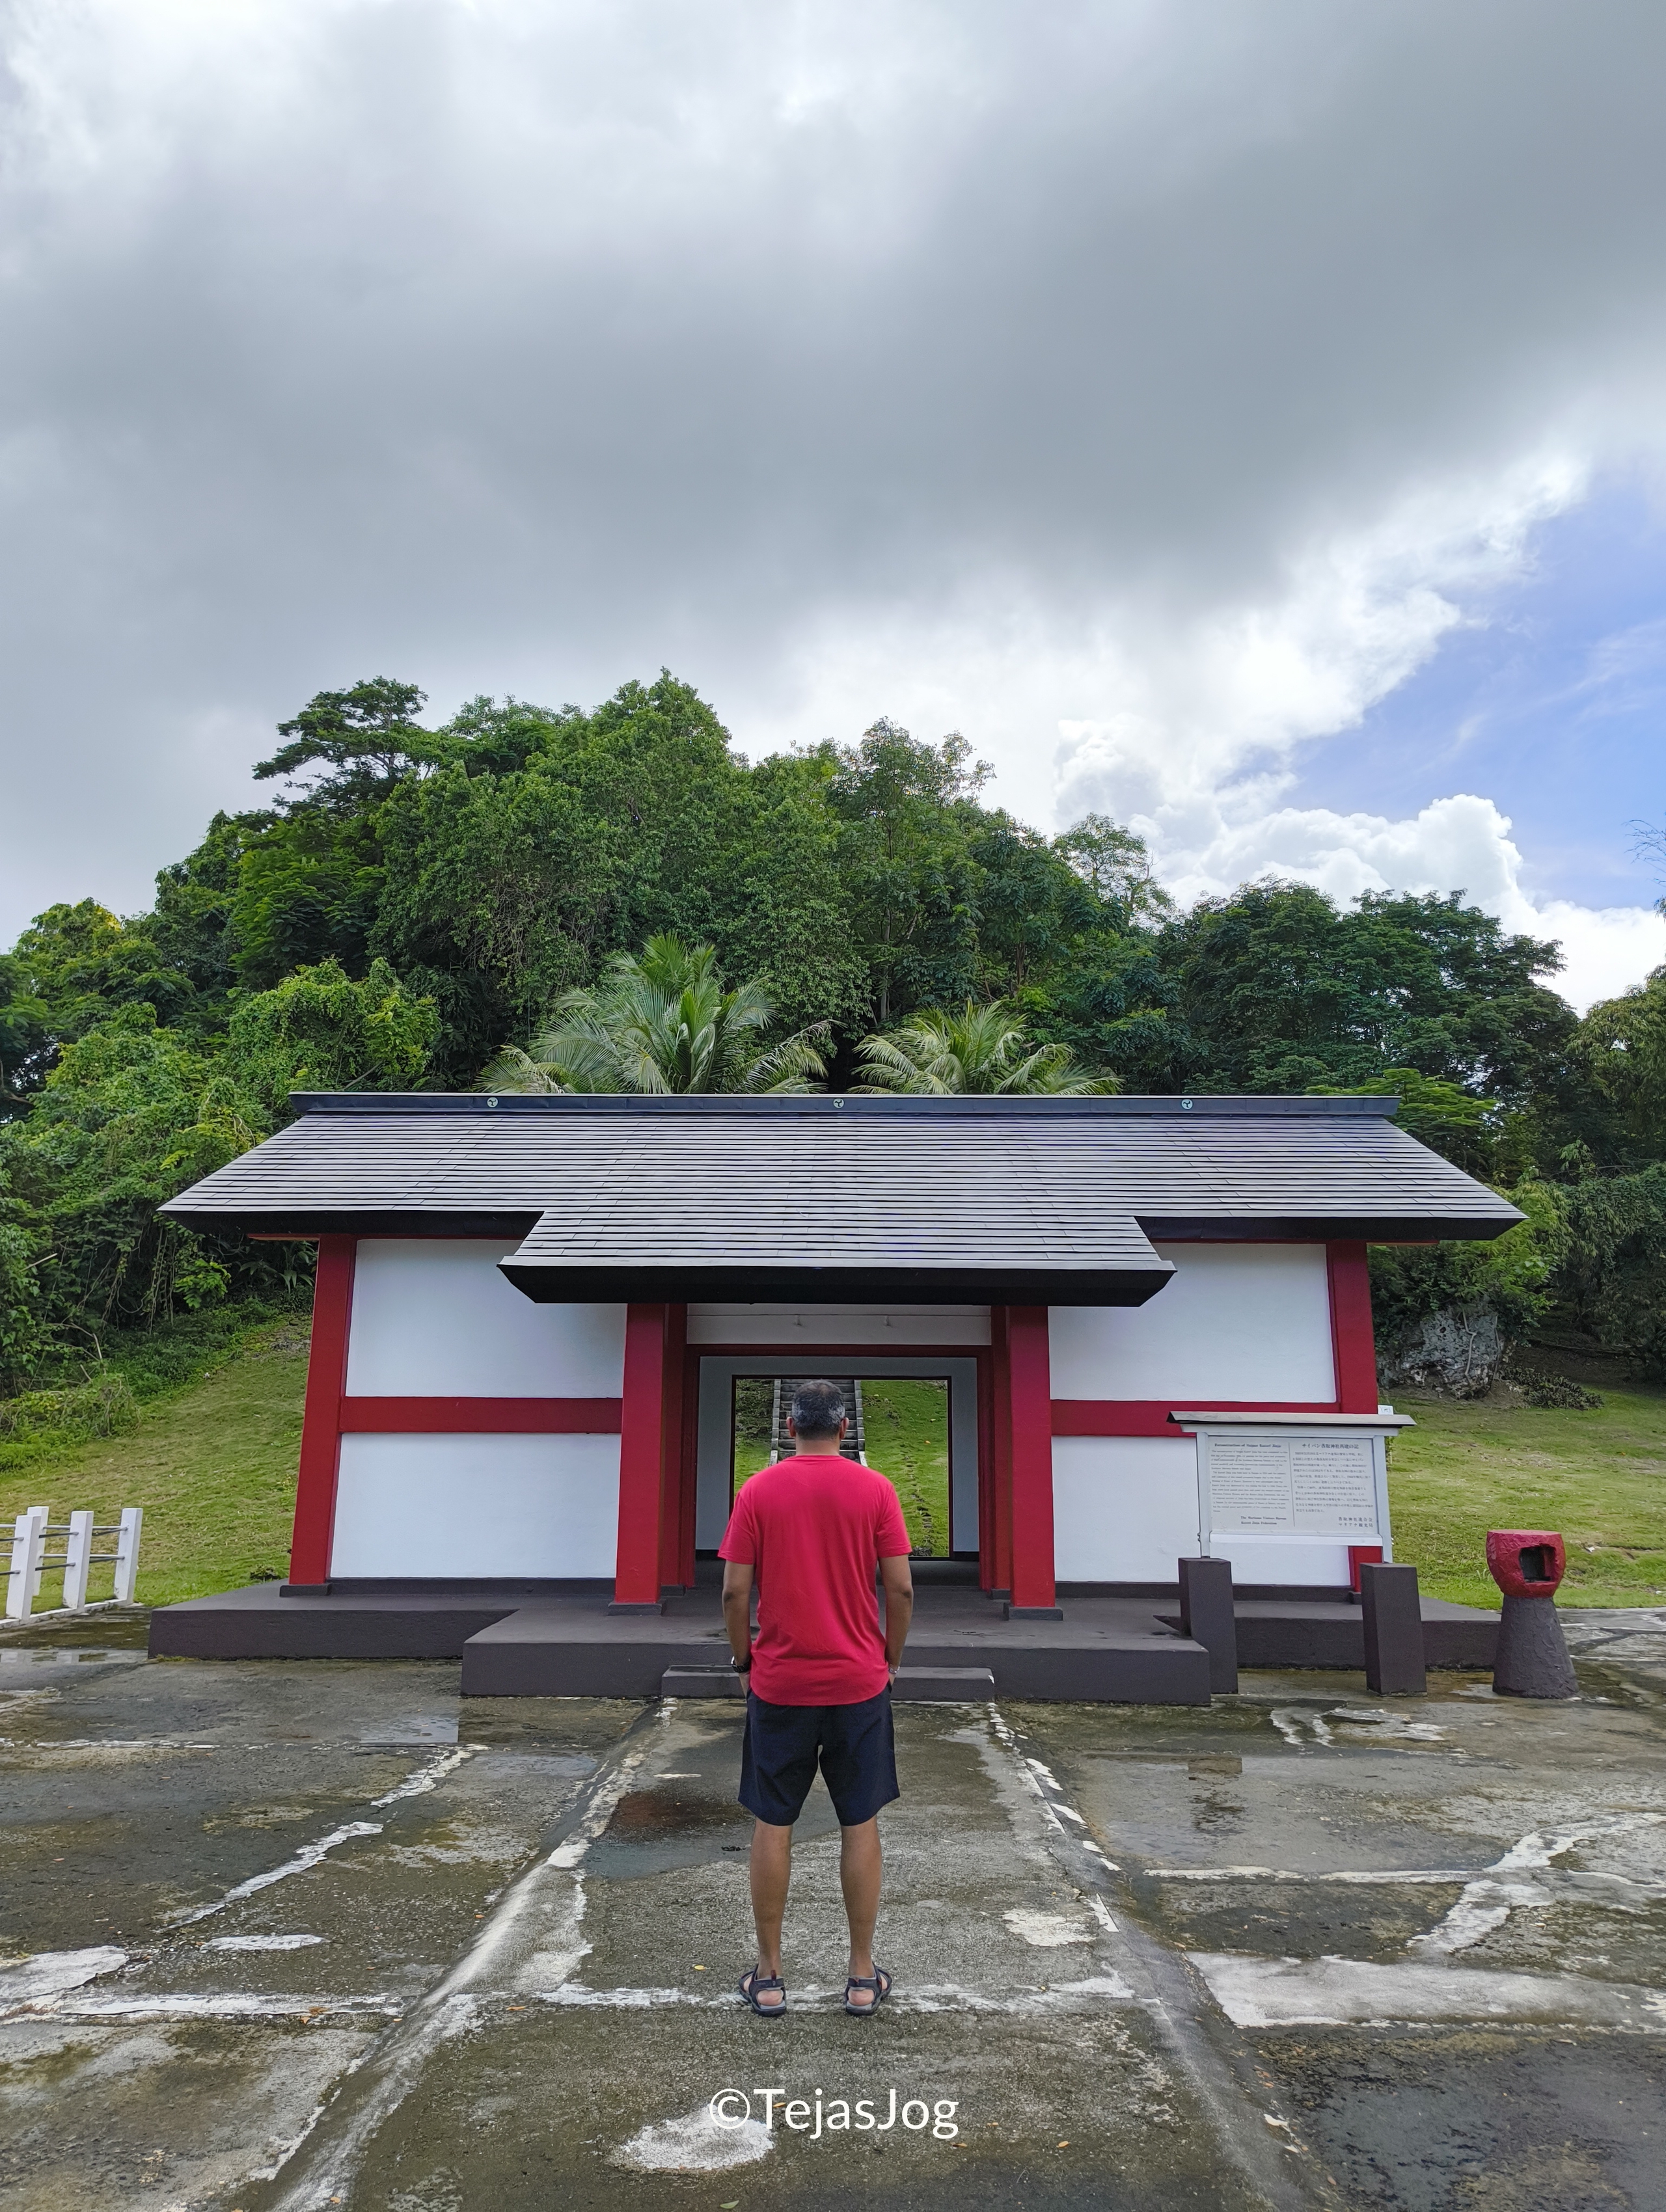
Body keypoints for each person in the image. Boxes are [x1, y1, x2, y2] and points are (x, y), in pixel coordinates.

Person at [718, 1377, 915, 2019]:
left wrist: (744, 1659)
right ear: (844, 1427)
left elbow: (732, 1592)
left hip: (780, 1683)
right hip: (858, 1682)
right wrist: (889, 1659)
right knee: (859, 1821)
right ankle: (861, 1977)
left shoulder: (757, 1490)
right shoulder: (876, 1489)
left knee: (773, 1821)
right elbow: (902, 1589)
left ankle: (770, 1977)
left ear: (789, 1426)